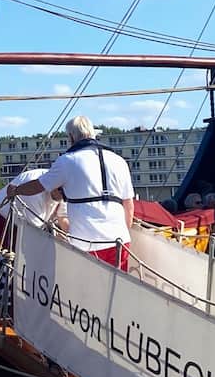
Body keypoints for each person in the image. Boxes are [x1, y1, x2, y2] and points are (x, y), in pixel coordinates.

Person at [8, 115, 134, 269]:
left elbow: (39, 185)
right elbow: (128, 205)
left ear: (71, 137)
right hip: (120, 240)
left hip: (88, 242)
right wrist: (125, 234)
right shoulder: (119, 161)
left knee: (88, 290)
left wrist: (16, 190)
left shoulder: (68, 161)